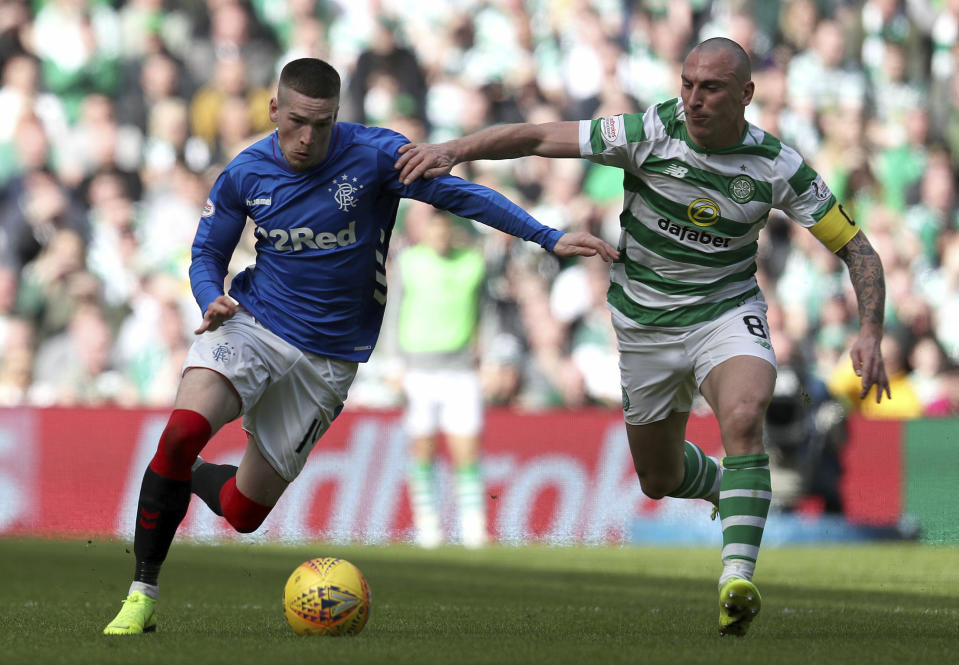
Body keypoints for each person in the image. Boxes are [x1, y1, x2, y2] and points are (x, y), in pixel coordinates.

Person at [102, 57, 617, 635]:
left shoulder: (376, 156)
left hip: (328, 359)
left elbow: (462, 198)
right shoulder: (245, 173)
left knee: (244, 513)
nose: (307, 136)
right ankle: (141, 593)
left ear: (337, 116)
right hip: (254, 325)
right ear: (274, 109)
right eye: (296, 121)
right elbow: (207, 254)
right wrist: (208, 297)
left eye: (321, 124)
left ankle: (188, 473)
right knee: (180, 431)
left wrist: (546, 236)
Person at [396, 37, 891, 637]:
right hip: (643, 325)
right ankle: (719, 486)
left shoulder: (776, 165)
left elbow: (855, 246)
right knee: (657, 479)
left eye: (710, 89)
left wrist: (869, 328)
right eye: (687, 84)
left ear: (746, 95)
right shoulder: (647, 132)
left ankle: (737, 579)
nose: (694, 99)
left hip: (725, 312)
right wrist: (454, 149)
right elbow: (534, 137)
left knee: (743, 410)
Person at [397, 209, 487, 549]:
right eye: (434, 230)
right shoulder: (410, 263)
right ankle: (429, 527)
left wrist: (488, 358)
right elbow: (393, 312)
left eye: (444, 230)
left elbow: (485, 312)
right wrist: (394, 364)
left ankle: (473, 528)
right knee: (423, 449)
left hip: (461, 368)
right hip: (419, 368)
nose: (439, 236)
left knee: (466, 450)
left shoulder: (472, 263)